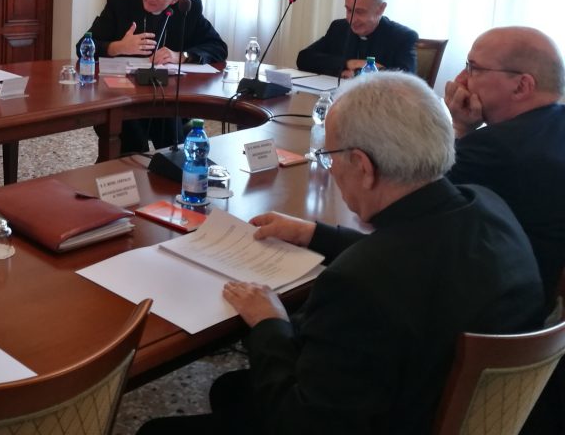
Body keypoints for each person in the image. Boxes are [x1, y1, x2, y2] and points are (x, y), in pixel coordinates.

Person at [138, 72, 545, 435]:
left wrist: (269, 322)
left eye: (329, 157)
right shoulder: (488, 206)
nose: (330, 169)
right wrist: (315, 234)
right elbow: (417, 256)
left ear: (363, 166)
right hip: (442, 398)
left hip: (384, 418)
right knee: (233, 389)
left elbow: (299, 423)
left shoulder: (358, 285)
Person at [444, 26, 565, 435]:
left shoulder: (495, 149)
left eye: (474, 68)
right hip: (542, 317)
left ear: (522, 85)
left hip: (491, 326)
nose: (461, 79)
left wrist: (461, 129)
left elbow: (416, 203)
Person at [78, 0, 227, 154]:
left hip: (167, 94)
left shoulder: (188, 8)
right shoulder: (120, 3)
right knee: (132, 143)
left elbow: (218, 47)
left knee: (171, 138)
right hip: (123, 93)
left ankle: (171, 164)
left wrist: (181, 56)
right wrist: (118, 47)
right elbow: (83, 46)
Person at [296, 0, 418, 77]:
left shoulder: (402, 36)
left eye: (360, 12)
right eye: (349, 10)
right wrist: (349, 63)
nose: (352, 19)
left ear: (380, 9)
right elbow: (304, 58)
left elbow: (406, 78)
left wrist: (357, 74)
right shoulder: (339, 28)